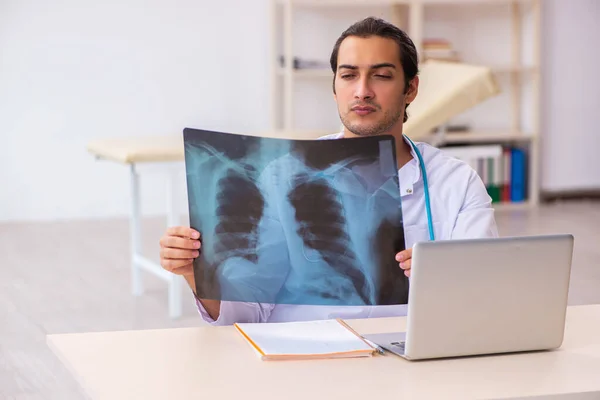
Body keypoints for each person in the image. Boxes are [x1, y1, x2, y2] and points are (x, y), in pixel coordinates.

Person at [159, 17, 499, 325]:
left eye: (381, 75)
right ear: (335, 87)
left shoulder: (456, 182)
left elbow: (484, 299)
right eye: (349, 75)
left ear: (410, 89)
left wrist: (444, 280)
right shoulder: (283, 174)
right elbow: (250, 312)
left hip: (408, 357)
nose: (362, 90)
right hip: (302, 358)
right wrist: (196, 274)